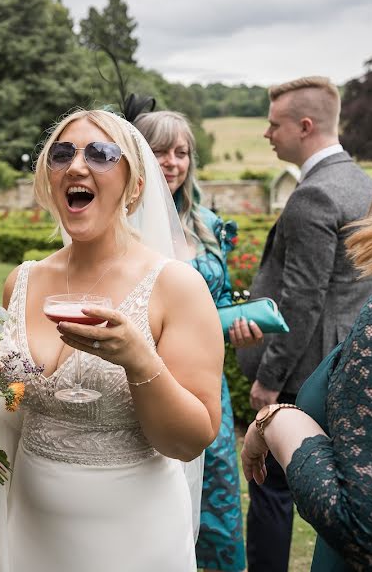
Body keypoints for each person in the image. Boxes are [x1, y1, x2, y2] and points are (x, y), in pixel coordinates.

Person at [0, 108, 223, 571]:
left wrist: (139, 361)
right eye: (62, 154)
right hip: (30, 527)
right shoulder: (22, 281)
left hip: (134, 535)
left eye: (100, 154)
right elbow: (12, 403)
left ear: (135, 185)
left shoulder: (176, 287)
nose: (77, 166)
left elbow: (190, 441)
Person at [240, 96, 372, 571]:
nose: (266, 134)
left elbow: (301, 299)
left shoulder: (313, 194)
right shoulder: (357, 181)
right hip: (365, 356)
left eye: (273, 124)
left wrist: (271, 397)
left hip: (313, 370)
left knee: (269, 492)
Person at [135, 110, 246, 572]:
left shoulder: (209, 225)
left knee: (216, 509)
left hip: (206, 387)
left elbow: (215, 304)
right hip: (145, 379)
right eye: (160, 150)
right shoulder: (120, 225)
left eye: (181, 152)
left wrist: (238, 323)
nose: (172, 162)